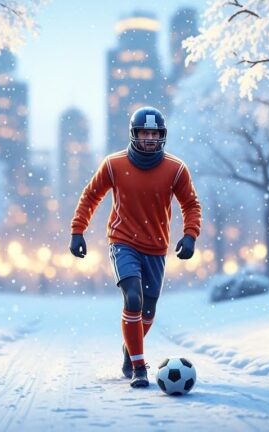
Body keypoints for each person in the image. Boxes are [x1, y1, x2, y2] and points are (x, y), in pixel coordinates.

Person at [69, 106, 201, 388]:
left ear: (162, 136)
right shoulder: (113, 164)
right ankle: (140, 368)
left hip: (156, 247)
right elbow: (91, 196)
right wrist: (77, 230)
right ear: (134, 134)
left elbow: (190, 204)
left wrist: (190, 235)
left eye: (155, 134)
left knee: (148, 311)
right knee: (133, 298)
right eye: (145, 133)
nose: (150, 139)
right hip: (123, 241)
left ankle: (131, 350)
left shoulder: (176, 169)